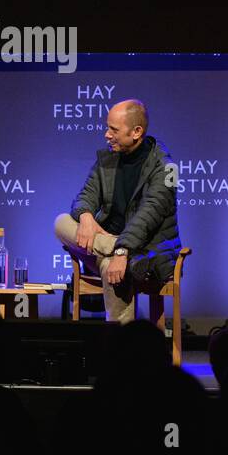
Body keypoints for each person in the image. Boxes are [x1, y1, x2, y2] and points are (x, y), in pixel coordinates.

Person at [53, 99, 181, 324]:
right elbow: (86, 196)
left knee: (108, 266)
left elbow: (148, 215)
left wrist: (122, 251)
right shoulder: (107, 159)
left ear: (136, 132)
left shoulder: (165, 167)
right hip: (111, 247)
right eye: (107, 127)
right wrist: (85, 216)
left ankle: (119, 341)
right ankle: (112, 251)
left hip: (145, 251)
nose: (106, 135)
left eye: (114, 129)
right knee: (61, 222)